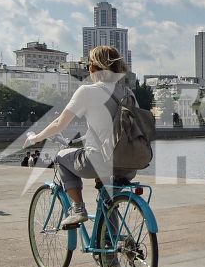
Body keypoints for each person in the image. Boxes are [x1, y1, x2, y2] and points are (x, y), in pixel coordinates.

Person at [23, 44, 140, 227]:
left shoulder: (87, 91)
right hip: (129, 163)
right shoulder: (128, 93)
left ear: (93, 68)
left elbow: (59, 123)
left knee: (61, 157)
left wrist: (35, 138)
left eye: (88, 66)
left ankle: (78, 209)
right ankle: (110, 250)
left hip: (99, 160)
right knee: (108, 200)